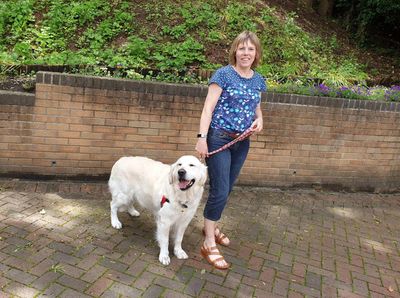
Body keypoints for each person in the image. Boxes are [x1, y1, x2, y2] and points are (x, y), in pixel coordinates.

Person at [195, 30, 267, 269]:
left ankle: (212, 227)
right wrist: (202, 138)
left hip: (242, 142)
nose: (245, 53)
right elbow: (208, 109)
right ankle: (208, 242)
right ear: (235, 50)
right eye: (241, 48)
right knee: (219, 189)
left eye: (250, 49)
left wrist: (260, 119)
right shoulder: (223, 75)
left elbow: (255, 105)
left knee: (226, 189)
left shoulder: (258, 79)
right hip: (218, 138)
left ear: (256, 53)